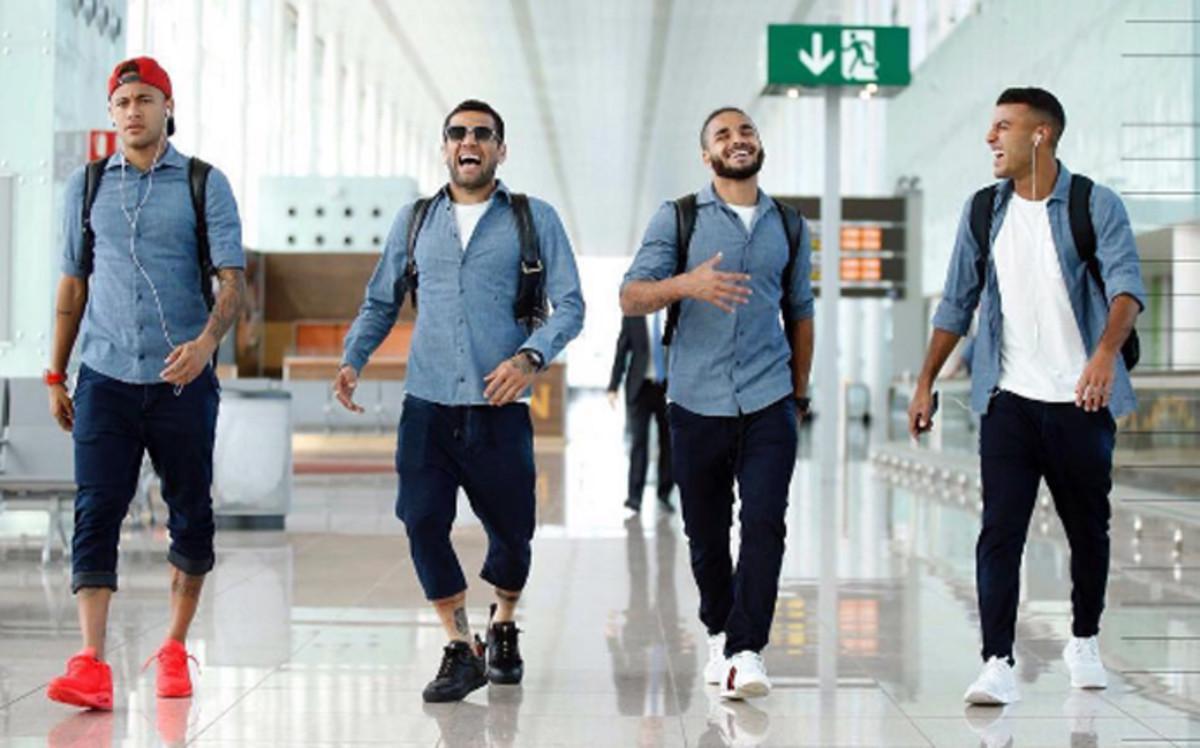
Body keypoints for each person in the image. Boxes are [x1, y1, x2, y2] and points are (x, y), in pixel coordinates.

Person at [334, 99, 585, 703]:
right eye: (457, 134)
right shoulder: (416, 220)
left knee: (513, 530)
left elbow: (571, 305)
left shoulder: (533, 219)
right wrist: (352, 358)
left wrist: (530, 357)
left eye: (482, 134)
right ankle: (458, 644)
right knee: (420, 519)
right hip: (428, 403)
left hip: (500, 406)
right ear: (444, 147)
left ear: (501, 149)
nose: (468, 142)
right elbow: (380, 301)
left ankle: (503, 623)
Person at [908, 87, 1145, 705]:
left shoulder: (1095, 204)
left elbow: (1126, 291)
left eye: (1003, 127)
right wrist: (924, 381)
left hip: (1081, 401)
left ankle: (1084, 638)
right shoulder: (984, 211)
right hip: (1007, 399)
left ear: (1040, 135)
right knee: (999, 531)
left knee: (1088, 529)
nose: (991, 138)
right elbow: (957, 304)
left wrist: (1101, 357)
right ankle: (996, 660)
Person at [45, 56, 246, 710]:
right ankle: (92, 662)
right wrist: (56, 371)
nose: (133, 110)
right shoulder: (85, 187)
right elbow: (72, 286)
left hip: (181, 381)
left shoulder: (202, 184)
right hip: (104, 374)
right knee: (96, 510)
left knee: (191, 513)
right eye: (123, 100)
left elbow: (233, 284)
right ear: (111, 112)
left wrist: (206, 346)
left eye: (145, 99)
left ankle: (173, 647)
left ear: (168, 106)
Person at [619, 107, 814, 700]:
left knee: (764, 523)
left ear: (759, 145)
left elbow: (800, 312)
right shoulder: (677, 218)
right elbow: (630, 297)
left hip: (768, 397)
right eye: (723, 135)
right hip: (696, 399)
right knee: (707, 531)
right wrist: (686, 285)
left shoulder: (790, 223)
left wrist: (798, 396)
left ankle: (747, 649)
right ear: (707, 156)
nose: (738, 139)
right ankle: (717, 630)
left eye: (746, 130)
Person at [607, 313, 674, 516]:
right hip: (640, 387)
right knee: (639, 442)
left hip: (668, 388)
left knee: (668, 442)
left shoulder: (672, 310)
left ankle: (664, 494)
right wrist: (613, 385)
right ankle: (634, 497)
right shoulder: (634, 314)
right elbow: (622, 348)